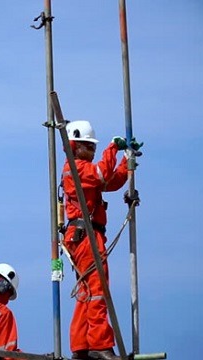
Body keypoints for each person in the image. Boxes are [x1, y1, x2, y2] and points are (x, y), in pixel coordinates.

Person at [61, 120, 140, 360]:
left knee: (87, 292)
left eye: (94, 147)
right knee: (97, 289)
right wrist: (112, 149)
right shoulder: (75, 168)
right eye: (88, 146)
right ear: (75, 146)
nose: (92, 150)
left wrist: (128, 162)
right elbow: (101, 173)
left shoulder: (83, 171)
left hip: (84, 234)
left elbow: (110, 182)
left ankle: (82, 347)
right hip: (86, 234)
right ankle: (99, 345)